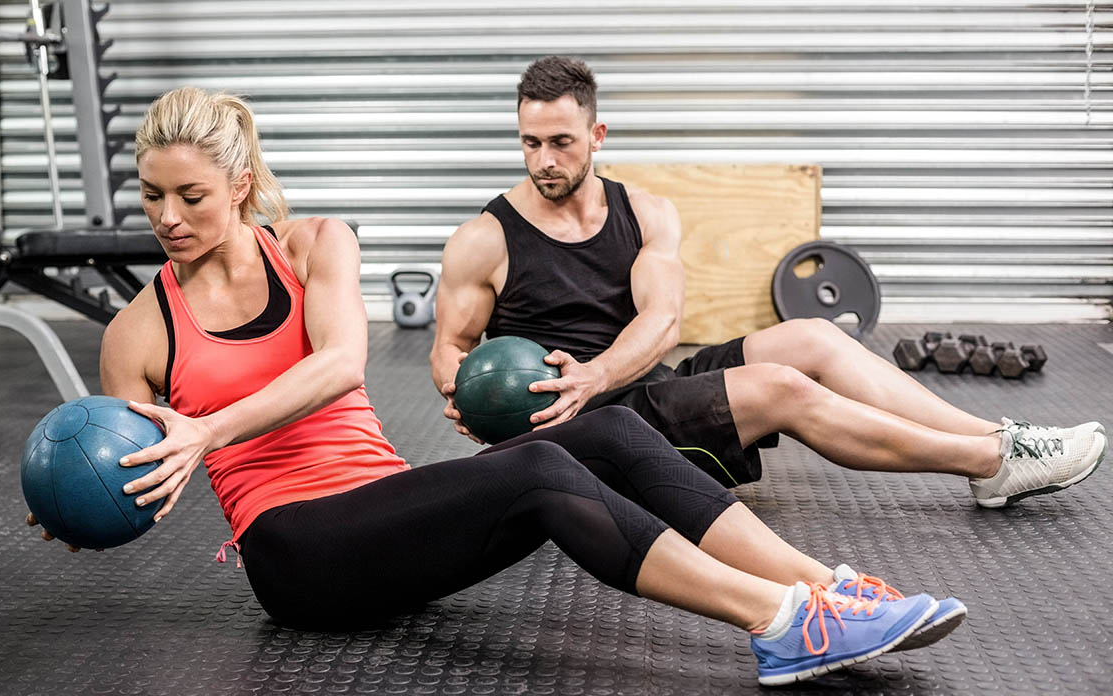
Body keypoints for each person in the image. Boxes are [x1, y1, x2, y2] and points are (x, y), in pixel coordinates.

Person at [25, 87, 964, 687]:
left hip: (386, 508)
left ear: (238, 183)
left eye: (190, 195)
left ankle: (828, 589)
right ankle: (780, 624)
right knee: (534, 474)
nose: (168, 217)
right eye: (152, 196)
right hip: (298, 552)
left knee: (600, 434)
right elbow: (141, 468)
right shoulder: (140, 330)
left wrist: (205, 426)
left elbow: (341, 364)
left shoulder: (315, 247)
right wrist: (84, 498)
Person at [430, 56, 1106, 509]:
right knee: (782, 389)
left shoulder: (645, 213)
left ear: (597, 133)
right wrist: (463, 389)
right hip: (586, 431)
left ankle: (1002, 439)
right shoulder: (484, 238)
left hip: (639, 388)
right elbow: (449, 346)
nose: (543, 160)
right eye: (529, 142)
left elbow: (662, 321)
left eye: (561, 142)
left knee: (811, 337)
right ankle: (988, 461)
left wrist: (594, 373)